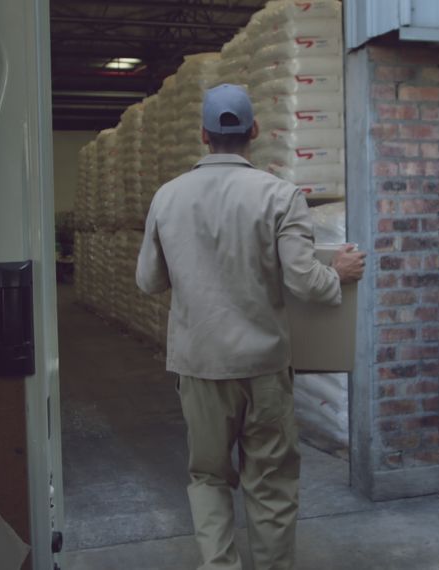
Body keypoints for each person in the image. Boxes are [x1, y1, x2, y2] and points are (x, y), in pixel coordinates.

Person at [136, 83, 366, 570]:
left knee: (208, 478)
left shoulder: (168, 197)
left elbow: (148, 281)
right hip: (263, 368)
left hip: (199, 366)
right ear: (254, 131)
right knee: (272, 484)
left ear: (202, 135)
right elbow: (304, 282)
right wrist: (338, 276)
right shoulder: (280, 196)